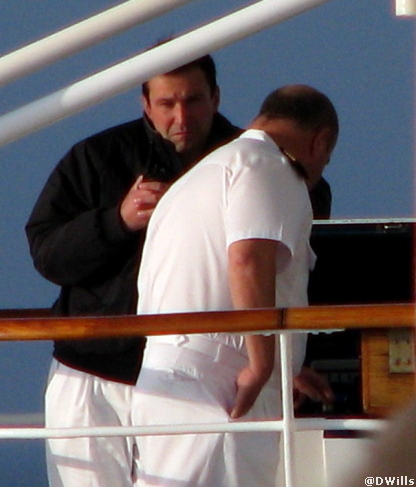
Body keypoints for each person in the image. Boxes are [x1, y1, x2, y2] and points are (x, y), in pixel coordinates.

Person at [25, 54, 241, 487]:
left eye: (194, 101)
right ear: (145, 103)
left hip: (203, 378)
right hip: (93, 373)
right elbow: (47, 254)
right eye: (167, 103)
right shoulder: (96, 157)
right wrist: (118, 220)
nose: (181, 116)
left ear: (215, 98)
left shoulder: (250, 163)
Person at [132, 84, 339, 487]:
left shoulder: (204, 173)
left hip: (169, 382)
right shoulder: (267, 165)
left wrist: (283, 368)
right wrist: (262, 364)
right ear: (321, 141)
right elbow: (248, 259)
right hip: (219, 390)